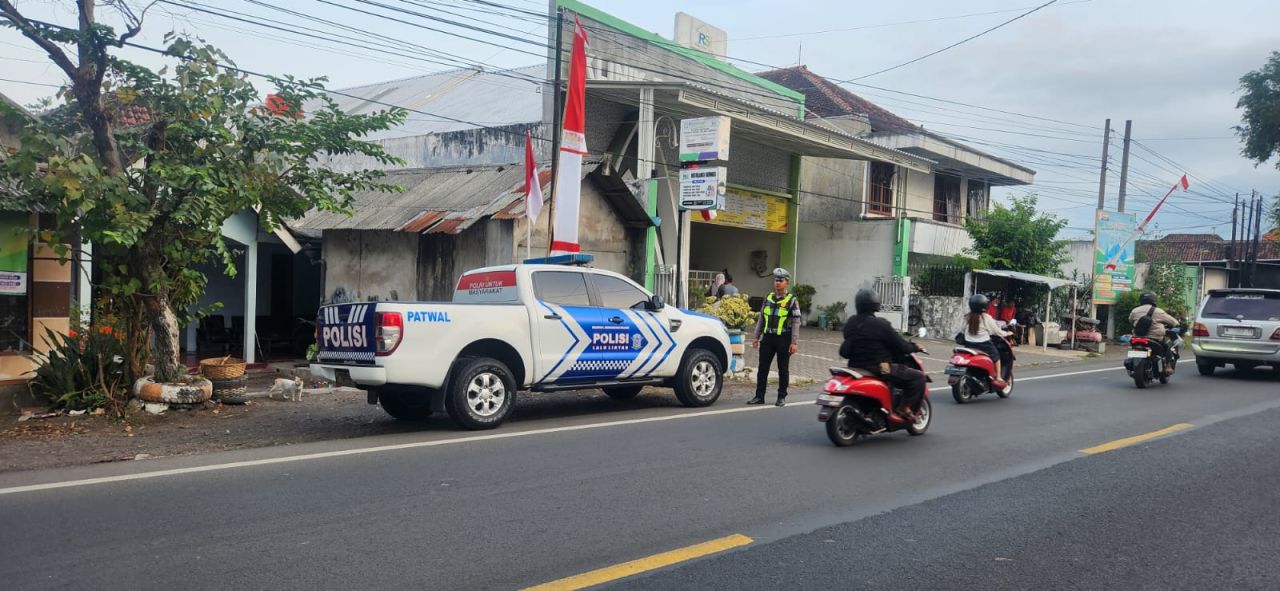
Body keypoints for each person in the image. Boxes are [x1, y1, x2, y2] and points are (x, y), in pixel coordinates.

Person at [840, 288, 928, 421]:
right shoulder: (881, 324)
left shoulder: (851, 322)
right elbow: (901, 345)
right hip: (881, 367)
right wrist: (915, 347)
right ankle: (904, 407)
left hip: (855, 366)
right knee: (919, 377)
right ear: (876, 304)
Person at [749, 268, 801, 407]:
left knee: (782, 369)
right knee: (762, 368)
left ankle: (781, 396)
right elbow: (761, 319)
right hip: (768, 339)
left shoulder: (792, 300)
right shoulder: (768, 298)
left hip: (784, 338)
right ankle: (759, 396)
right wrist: (756, 337)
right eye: (776, 280)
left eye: (780, 280)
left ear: (786, 282)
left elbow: (796, 322)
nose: (777, 283)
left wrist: (794, 342)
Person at [963, 293, 1012, 391]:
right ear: (984, 305)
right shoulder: (986, 317)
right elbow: (996, 331)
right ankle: (998, 377)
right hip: (983, 344)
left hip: (968, 344)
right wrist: (1007, 333)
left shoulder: (967, 317)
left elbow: (961, 329)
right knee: (997, 357)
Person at [1129, 291, 1181, 374]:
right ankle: (1168, 366)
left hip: (1137, 338)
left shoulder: (1135, 311)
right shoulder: (1159, 311)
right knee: (1167, 345)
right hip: (1155, 339)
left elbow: (1130, 321)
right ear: (1153, 299)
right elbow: (1174, 322)